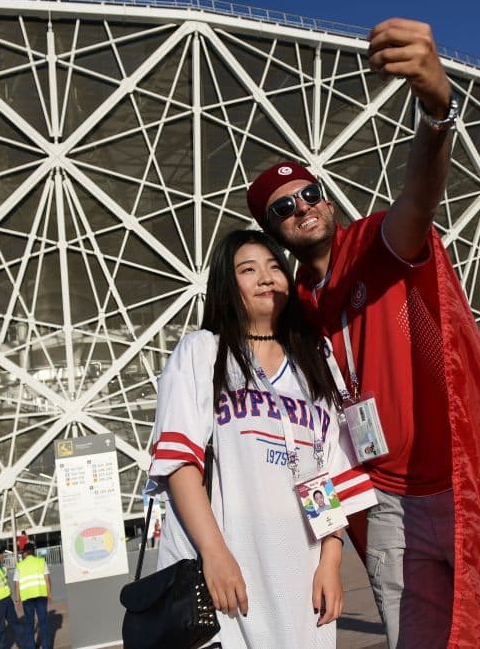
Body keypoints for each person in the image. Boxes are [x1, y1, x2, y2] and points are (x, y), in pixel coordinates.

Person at [244, 18, 480, 647]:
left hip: (459, 487)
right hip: (384, 509)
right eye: (284, 208)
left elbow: (419, 200)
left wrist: (436, 113)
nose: (304, 207)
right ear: (273, 230)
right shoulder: (292, 308)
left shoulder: (378, 243)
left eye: (312, 193)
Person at [148, 229, 376, 648]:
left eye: (275, 267)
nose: (266, 277)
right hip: (226, 573)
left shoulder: (314, 367)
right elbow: (181, 464)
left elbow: (321, 475)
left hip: (301, 577)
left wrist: (330, 560)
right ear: (225, 284)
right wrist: (215, 555)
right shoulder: (203, 352)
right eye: (248, 269)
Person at [14, 541, 51, 649]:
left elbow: (17, 583)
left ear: (25, 553)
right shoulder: (41, 561)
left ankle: (30, 646)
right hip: (41, 595)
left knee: (29, 623)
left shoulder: (20, 565)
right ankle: (46, 646)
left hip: (27, 597)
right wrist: (49, 593)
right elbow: (47, 579)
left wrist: (18, 599)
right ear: (33, 552)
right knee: (43, 622)